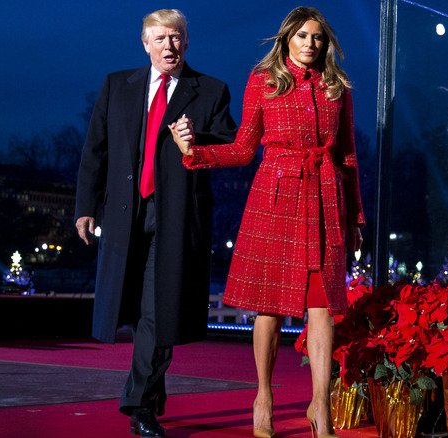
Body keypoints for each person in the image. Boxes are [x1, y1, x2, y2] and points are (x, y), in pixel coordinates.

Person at [169, 7, 364, 438]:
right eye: (303, 36)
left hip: (326, 201)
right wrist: (193, 152)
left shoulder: (338, 88)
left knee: (323, 311)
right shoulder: (264, 81)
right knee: (270, 309)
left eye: (317, 38)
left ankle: (321, 406)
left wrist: (355, 219)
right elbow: (242, 149)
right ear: (287, 39)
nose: (310, 44)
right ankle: (263, 397)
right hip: (275, 201)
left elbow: (347, 155)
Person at [74, 9, 237, 438]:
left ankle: (139, 405)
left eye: (177, 37)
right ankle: (152, 392)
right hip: (126, 216)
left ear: (188, 42)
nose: (170, 46)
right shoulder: (116, 85)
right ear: (145, 43)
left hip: (177, 218)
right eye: (161, 38)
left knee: (159, 311)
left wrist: (194, 140)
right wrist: (85, 207)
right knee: (132, 311)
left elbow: (231, 145)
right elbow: (96, 151)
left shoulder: (212, 91)